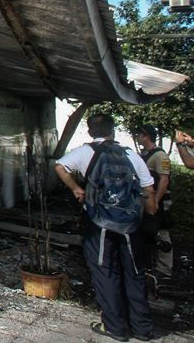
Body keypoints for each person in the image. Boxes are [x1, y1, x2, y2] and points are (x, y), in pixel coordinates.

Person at [54, 113, 158, 342]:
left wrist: (75, 188)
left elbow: (60, 165)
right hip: (130, 224)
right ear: (113, 131)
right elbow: (148, 189)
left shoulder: (85, 152)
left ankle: (116, 328)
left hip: (99, 223)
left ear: (91, 132)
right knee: (135, 273)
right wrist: (150, 218)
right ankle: (142, 328)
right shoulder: (131, 154)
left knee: (105, 272)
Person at [134, 124, 171, 279]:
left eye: (139, 134)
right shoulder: (145, 154)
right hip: (146, 199)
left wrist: (155, 201)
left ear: (146, 136)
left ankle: (164, 269)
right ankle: (146, 264)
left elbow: (164, 180)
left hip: (159, 201)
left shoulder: (159, 155)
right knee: (147, 230)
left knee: (162, 232)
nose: (137, 137)